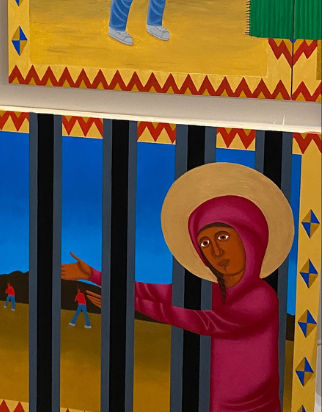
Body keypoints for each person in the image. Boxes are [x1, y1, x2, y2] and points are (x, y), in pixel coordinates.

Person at [61, 163, 294, 412]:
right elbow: (155, 292)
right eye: (204, 243)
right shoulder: (218, 292)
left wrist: (125, 303)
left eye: (223, 236)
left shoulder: (261, 297)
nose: (215, 251)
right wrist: (93, 275)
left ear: (249, 236)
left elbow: (207, 323)